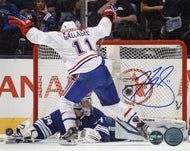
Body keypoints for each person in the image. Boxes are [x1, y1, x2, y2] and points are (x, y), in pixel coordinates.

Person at [8, 2, 151, 145]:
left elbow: (36, 37)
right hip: (102, 70)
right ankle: (142, 125)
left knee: (65, 102)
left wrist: (26, 26)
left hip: (84, 74)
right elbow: (105, 29)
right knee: (115, 105)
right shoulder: (87, 31)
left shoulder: (60, 36)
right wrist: (109, 13)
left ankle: (70, 133)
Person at [8, 95, 110, 144]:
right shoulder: (59, 115)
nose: (88, 105)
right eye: (85, 102)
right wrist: (31, 132)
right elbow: (44, 128)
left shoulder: (96, 114)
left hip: (112, 126)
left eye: (88, 102)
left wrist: (85, 135)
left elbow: (104, 135)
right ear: (76, 104)